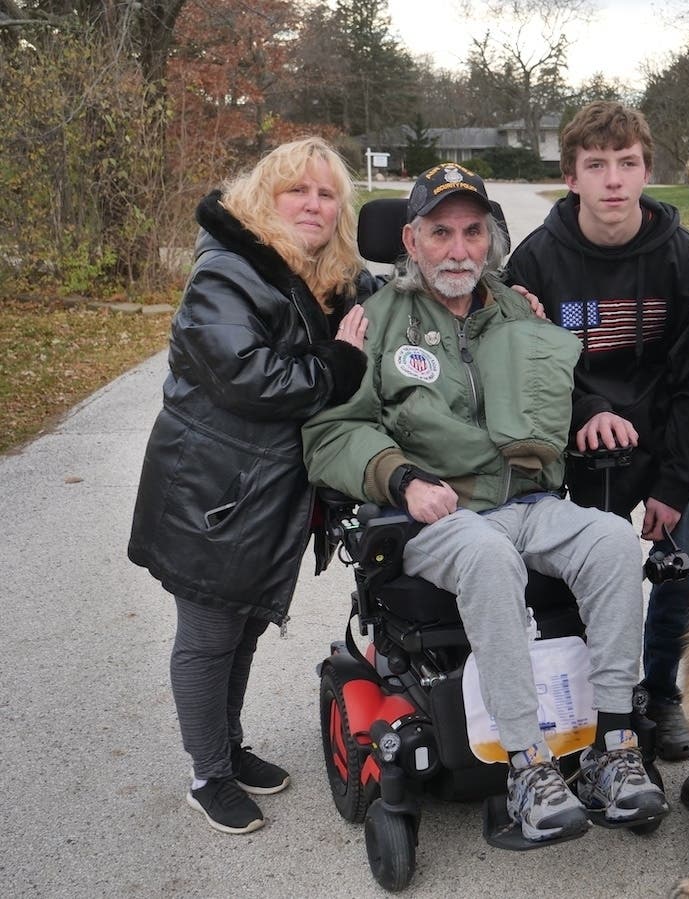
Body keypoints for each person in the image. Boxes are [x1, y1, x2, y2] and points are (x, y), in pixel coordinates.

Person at [302, 162, 669, 843]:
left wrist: (582, 406)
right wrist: (403, 477)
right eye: (440, 232)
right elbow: (333, 432)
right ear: (410, 241)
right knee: (489, 551)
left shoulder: (514, 310)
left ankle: (613, 747)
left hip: (528, 500)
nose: (458, 248)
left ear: (490, 240)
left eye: (473, 231)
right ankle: (527, 764)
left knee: (614, 542)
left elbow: (555, 394)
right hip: (436, 516)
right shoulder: (376, 320)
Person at [128, 137, 376, 836]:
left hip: (265, 492)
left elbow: (381, 302)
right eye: (298, 189)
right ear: (265, 196)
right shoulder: (228, 271)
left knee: (241, 628)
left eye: (327, 195)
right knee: (209, 633)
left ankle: (228, 747)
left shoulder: (311, 274)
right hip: (213, 490)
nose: (313, 204)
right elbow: (252, 376)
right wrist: (340, 365)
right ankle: (208, 775)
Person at [504, 101, 689, 762]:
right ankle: (584, 694)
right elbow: (523, 372)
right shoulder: (534, 262)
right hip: (574, 450)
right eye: (596, 165)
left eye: (626, 163)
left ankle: (659, 693)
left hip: (660, 444)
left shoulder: (684, 260)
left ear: (647, 170)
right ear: (570, 176)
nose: (612, 180)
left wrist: (675, 482)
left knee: (680, 573)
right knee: (566, 576)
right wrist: (587, 408)